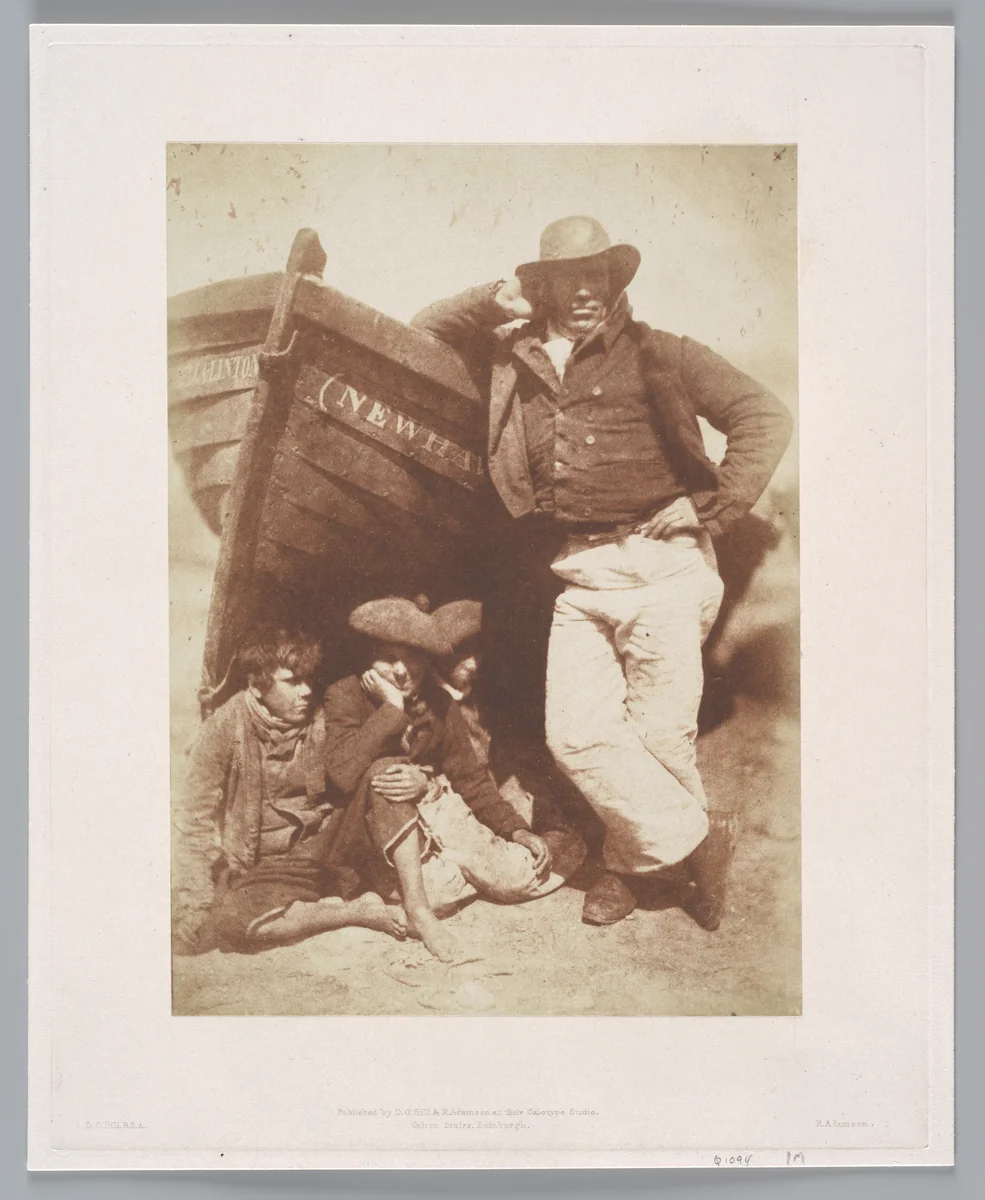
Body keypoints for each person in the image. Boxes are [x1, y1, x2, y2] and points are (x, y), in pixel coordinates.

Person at [412, 215, 793, 928]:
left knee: (658, 734)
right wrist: (490, 297)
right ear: (544, 287)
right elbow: (424, 334)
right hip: (579, 571)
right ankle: (698, 840)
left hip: (663, 568)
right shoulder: (510, 356)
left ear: (613, 284)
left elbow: (761, 415)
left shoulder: (663, 353)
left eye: (598, 277)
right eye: (569, 279)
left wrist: (709, 506)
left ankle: (631, 871)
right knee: (577, 735)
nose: (585, 291)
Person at [323, 597, 586, 962]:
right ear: (369, 659)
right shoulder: (345, 694)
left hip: (434, 805)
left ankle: (551, 843)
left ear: (428, 661)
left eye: (412, 658)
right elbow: (341, 776)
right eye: (388, 658)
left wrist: (515, 830)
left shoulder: (437, 701)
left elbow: (469, 777)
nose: (401, 671)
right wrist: (392, 710)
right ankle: (428, 901)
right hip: (375, 824)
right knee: (435, 889)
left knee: (515, 878)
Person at [171, 628, 407, 956]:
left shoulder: (324, 717)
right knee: (231, 920)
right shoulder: (226, 726)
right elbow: (193, 820)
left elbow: (375, 757)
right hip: (265, 867)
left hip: (326, 849)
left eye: (308, 679)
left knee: (374, 774)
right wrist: (193, 904)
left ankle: (339, 900)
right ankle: (351, 912)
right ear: (256, 686)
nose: (307, 691)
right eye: (292, 682)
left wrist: (421, 778)